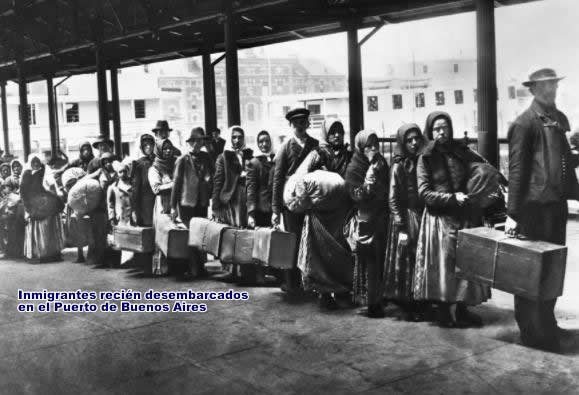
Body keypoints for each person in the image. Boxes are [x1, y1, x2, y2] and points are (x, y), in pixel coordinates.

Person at [505, 68, 579, 352]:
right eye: (545, 86)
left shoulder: (558, 120)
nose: (551, 90)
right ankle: (531, 331)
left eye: (553, 85)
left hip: (556, 207)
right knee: (529, 272)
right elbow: (516, 171)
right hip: (533, 210)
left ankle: (547, 323)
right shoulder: (524, 124)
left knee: (552, 270)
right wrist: (513, 214)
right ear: (533, 89)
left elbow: (564, 162)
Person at [413, 111, 490, 328]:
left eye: (444, 127)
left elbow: (481, 167)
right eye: (436, 128)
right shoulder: (425, 157)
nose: (441, 132)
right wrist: (450, 197)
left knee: (466, 264)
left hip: (464, 215)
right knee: (444, 267)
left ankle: (463, 310)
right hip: (440, 220)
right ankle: (444, 311)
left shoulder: (461, 151)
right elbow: (424, 193)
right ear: (430, 131)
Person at [272, 108, 319, 292]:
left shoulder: (315, 145)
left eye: (303, 122)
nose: (300, 126)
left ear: (307, 123)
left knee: (310, 241)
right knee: (293, 241)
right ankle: (292, 283)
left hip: (310, 200)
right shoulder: (285, 147)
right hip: (290, 201)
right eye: (296, 123)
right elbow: (277, 178)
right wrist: (276, 209)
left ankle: (310, 282)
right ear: (291, 125)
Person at [383, 124, 426, 321]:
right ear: (402, 142)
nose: (414, 143)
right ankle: (408, 304)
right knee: (406, 259)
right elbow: (392, 198)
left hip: (421, 215)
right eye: (409, 140)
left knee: (421, 259)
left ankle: (421, 299)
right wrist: (401, 225)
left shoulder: (423, 161)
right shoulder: (399, 165)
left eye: (417, 138)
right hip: (406, 218)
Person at [345, 130, 390, 317]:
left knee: (381, 260)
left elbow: (388, 186)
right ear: (360, 148)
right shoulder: (354, 167)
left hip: (382, 216)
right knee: (369, 261)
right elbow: (358, 195)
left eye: (375, 144)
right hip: (364, 218)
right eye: (368, 146)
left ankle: (381, 297)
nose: (373, 149)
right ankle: (372, 303)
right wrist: (371, 172)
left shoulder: (382, 163)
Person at [212, 125, 254, 283]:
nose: (237, 140)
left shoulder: (249, 154)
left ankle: (244, 268)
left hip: (246, 199)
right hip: (231, 200)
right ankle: (232, 270)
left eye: (240, 137)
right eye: (234, 137)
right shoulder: (223, 157)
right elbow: (217, 182)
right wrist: (215, 206)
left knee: (245, 232)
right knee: (232, 233)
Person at [171, 127, 213, 278]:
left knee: (201, 234)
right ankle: (194, 267)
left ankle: (200, 267)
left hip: (201, 202)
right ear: (191, 142)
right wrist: (172, 207)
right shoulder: (182, 160)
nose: (198, 144)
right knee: (191, 234)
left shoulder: (206, 157)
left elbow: (211, 176)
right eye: (196, 141)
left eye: (201, 141)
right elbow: (176, 184)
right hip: (186, 203)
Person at [20, 154, 65, 263]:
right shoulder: (27, 174)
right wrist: (28, 207)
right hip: (32, 204)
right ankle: (38, 254)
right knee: (37, 228)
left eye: (38, 162)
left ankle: (51, 254)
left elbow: (51, 187)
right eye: (33, 162)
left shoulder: (45, 172)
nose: (36, 164)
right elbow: (23, 192)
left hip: (46, 202)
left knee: (48, 228)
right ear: (30, 163)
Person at [148, 138, 177, 275]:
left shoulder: (176, 164)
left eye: (170, 148)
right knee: (162, 235)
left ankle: (177, 266)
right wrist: (174, 184)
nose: (168, 151)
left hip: (176, 204)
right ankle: (161, 267)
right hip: (162, 204)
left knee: (176, 234)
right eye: (164, 149)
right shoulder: (154, 169)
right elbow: (156, 189)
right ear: (159, 151)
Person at [87, 152, 119, 267]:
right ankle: (100, 260)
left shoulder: (118, 172)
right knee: (100, 235)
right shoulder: (100, 172)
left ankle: (114, 260)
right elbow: (87, 179)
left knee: (113, 233)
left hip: (114, 205)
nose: (108, 164)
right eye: (105, 162)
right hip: (100, 207)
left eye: (110, 161)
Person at [247, 130, 275, 229]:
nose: (264, 144)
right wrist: (251, 214)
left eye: (267, 141)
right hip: (260, 209)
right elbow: (251, 190)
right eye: (261, 141)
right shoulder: (254, 163)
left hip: (274, 209)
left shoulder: (276, 160)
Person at [107, 160, 133, 227]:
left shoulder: (134, 185)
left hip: (133, 218)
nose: (123, 174)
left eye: (124, 171)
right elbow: (110, 204)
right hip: (121, 217)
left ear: (128, 172)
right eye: (120, 172)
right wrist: (112, 218)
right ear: (117, 173)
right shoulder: (113, 187)